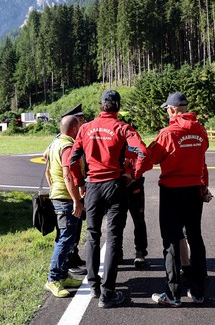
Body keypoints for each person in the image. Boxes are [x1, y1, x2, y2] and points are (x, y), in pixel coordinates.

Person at [69, 90, 150, 309]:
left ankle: (94, 286)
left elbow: (72, 159)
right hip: (115, 185)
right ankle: (108, 293)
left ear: (101, 105)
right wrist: (134, 175)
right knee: (114, 237)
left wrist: (80, 183)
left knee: (93, 236)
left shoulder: (85, 128)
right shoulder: (123, 128)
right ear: (117, 107)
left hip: (93, 186)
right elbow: (142, 152)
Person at [146, 92, 211, 307]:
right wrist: (204, 186)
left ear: (173, 109)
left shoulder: (168, 133)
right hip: (194, 190)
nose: (167, 112)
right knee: (195, 237)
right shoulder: (201, 130)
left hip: (172, 191)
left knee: (171, 241)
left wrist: (130, 171)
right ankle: (198, 291)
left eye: (167, 109)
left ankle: (173, 294)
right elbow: (202, 160)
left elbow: (149, 158)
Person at [44, 115, 86, 298]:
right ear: (75, 130)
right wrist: (76, 200)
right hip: (66, 199)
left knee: (64, 237)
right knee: (66, 239)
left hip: (59, 195)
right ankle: (53, 280)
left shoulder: (55, 143)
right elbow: (68, 176)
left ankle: (62, 275)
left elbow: (47, 169)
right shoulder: (68, 146)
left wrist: (53, 187)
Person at [122, 151, 149, 269]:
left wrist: (134, 175)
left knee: (138, 220)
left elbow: (145, 157)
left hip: (134, 184)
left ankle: (140, 251)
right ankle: (117, 251)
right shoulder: (112, 137)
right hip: (117, 184)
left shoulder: (134, 139)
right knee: (117, 221)